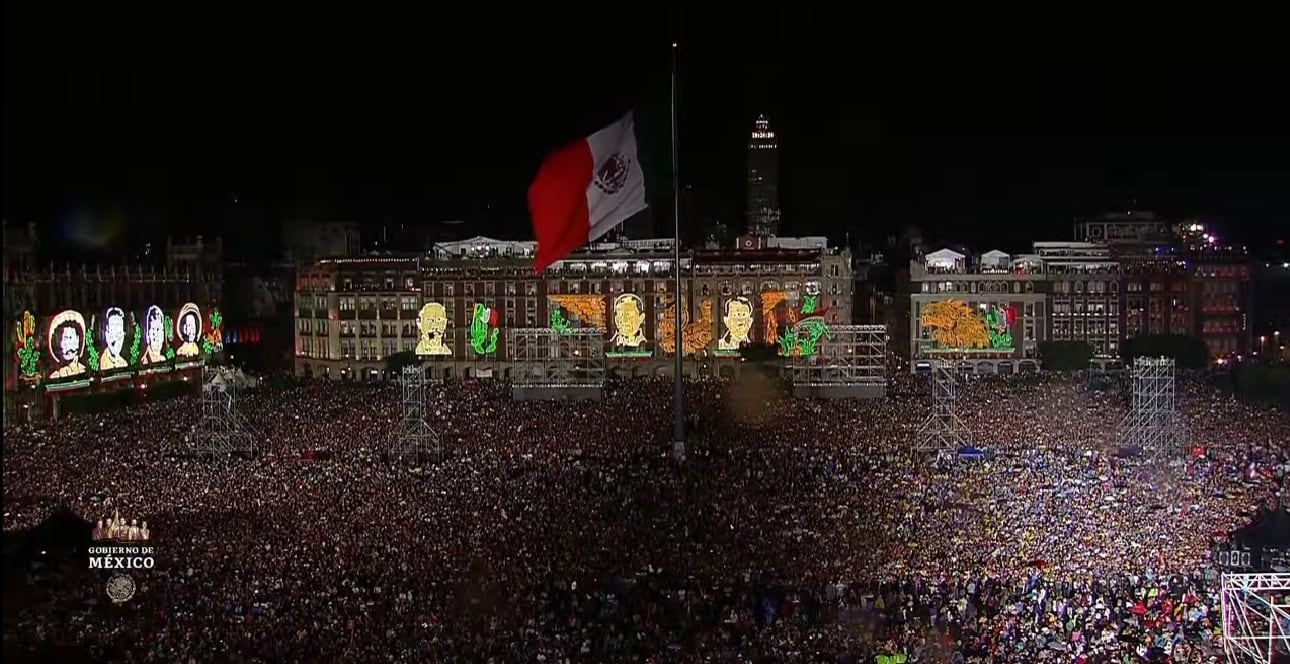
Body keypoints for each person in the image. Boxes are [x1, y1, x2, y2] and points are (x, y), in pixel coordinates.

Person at [47, 310, 87, 379]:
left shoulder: (84, 370)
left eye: (70, 338)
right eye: (63, 339)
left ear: (78, 340)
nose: (66, 344)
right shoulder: (55, 376)